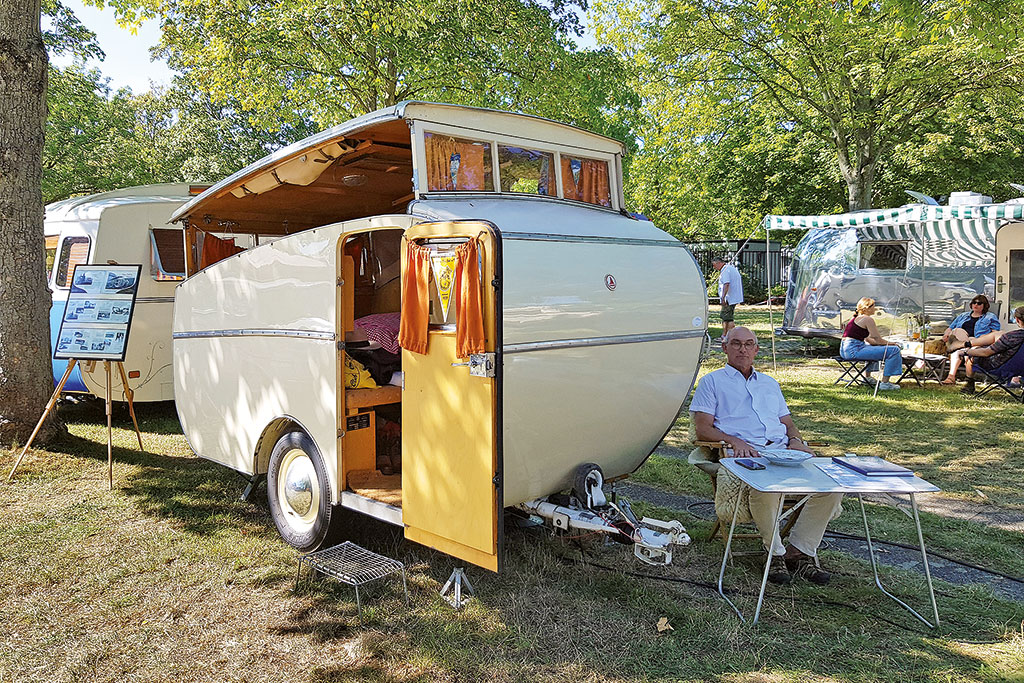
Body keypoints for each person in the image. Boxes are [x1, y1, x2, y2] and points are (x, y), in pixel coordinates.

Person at [690, 327, 843, 585]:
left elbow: (788, 423)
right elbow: (702, 428)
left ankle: (799, 551)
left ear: (756, 350)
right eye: (736, 344)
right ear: (725, 348)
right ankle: (774, 552)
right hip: (744, 453)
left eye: (749, 344)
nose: (743, 349)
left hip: (782, 451)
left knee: (831, 487)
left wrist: (796, 441)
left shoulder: (770, 384)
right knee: (766, 488)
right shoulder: (712, 382)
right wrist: (734, 440)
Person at [954, 305, 1024, 394]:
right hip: (1021, 368)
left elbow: (986, 353)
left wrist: (965, 352)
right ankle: (970, 343)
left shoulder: (1011, 336)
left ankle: (969, 385)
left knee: (973, 355)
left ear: (1017, 320)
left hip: (1004, 367)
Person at [839, 297, 903, 390]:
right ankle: (885, 383)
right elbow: (878, 339)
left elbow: (869, 340)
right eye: (873, 306)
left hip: (845, 350)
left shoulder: (856, 318)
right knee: (894, 350)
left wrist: (881, 344)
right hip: (853, 350)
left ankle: (867, 377)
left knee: (873, 346)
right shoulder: (868, 319)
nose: (875, 309)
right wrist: (893, 344)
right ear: (867, 308)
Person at [940, 295, 1000, 385]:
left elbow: (995, 333)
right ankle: (951, 377)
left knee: (958, 350)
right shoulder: (963, 316)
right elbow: (950, 328)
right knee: (957, 331)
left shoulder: (990, 317)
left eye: (979, 303)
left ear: (985, 305)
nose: (976, 305)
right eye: (974, 303)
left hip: (978, 341)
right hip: (962, 340)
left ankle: (956, 375)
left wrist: (982, 339)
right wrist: (946, 334)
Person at [712, 256, 743, 340]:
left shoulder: (725, 270)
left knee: (727, 317)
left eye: (714, 265)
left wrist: (723, 297)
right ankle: (726, 335)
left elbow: (726, 284)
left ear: (719, 263)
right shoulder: (729, 268)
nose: (714, 267)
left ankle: (729, 336)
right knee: (726, 317)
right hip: (733, 297)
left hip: (729, 298)